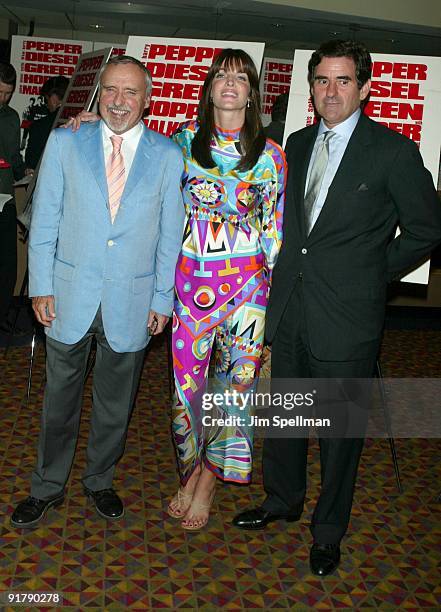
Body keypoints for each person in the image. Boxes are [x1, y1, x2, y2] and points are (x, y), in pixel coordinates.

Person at [233, 40, 441, 575]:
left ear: (365, 88)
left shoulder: (393, 152)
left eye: (343, 80)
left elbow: (426, 229)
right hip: (291, 308)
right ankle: (282, 501)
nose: (331, 91)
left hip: (348, 316)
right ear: (312, 87)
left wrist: (374, 270)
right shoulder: (294, 145)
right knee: (285, 418)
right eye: (322, 80)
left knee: (339, 432)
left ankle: (328, 530)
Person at [10, 55, 185, 528]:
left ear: (147, 100)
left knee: (114, 406)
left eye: (131, 92)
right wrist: (40, 286)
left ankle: (99, 480)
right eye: (110, 90)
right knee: (58, 402)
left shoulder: (168, 156)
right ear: (98, 94)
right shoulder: (67, 143)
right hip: (67, 297)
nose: (119, 101)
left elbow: (171, 237)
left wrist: (162, 300)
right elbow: (44, 219)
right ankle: (47, 486)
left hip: (132, 302)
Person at [168, 48, 285, 530]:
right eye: (222, 76)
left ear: (252, 92)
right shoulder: (180, 144)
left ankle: (207, 483)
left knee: (231, 394)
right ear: (210, 87)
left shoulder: (272, 155)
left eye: (241, 77)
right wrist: (85, 123)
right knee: (185, 393)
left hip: (248, 293)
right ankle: (191, 466)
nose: (231, 84)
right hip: (189, 289)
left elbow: (276, 231)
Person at [0, 62, 26, 333]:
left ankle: (3, 311)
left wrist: (23, 169)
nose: (3, 98)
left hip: (4, 196)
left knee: (8, 262)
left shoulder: (11, 117)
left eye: (8, 93)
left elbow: (14, 156)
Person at [25, 76, 69, 170]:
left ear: (53, 99)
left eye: (46, 99)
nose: (46, 104)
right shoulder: (81, 122)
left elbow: (31, 163)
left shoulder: (39, 126)